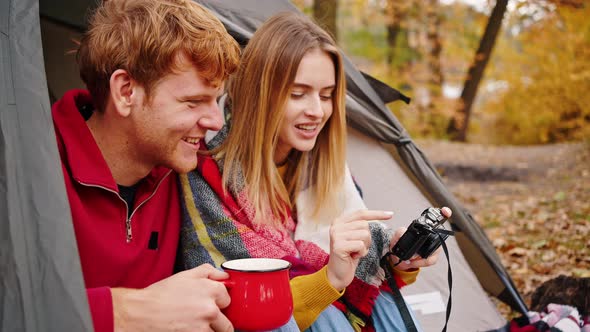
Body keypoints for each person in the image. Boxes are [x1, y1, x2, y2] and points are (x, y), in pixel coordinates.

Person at [177, 12, 451, 331]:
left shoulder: (321, 166)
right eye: (297, 94)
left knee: (387, 302)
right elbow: (243, 306)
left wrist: (395, 258)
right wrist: (329, 279)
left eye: (326, 95)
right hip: (252, 321)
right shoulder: (207, 171)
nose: (317, 112)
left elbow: (359, 262)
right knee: (324, 315)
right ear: (259, 92)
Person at [52, 0, 248, 331]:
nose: (215, 120)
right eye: (193, 101)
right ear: (126, 91)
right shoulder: (25, 168)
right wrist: (125, 312)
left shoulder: (185, 171)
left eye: (216, 101)